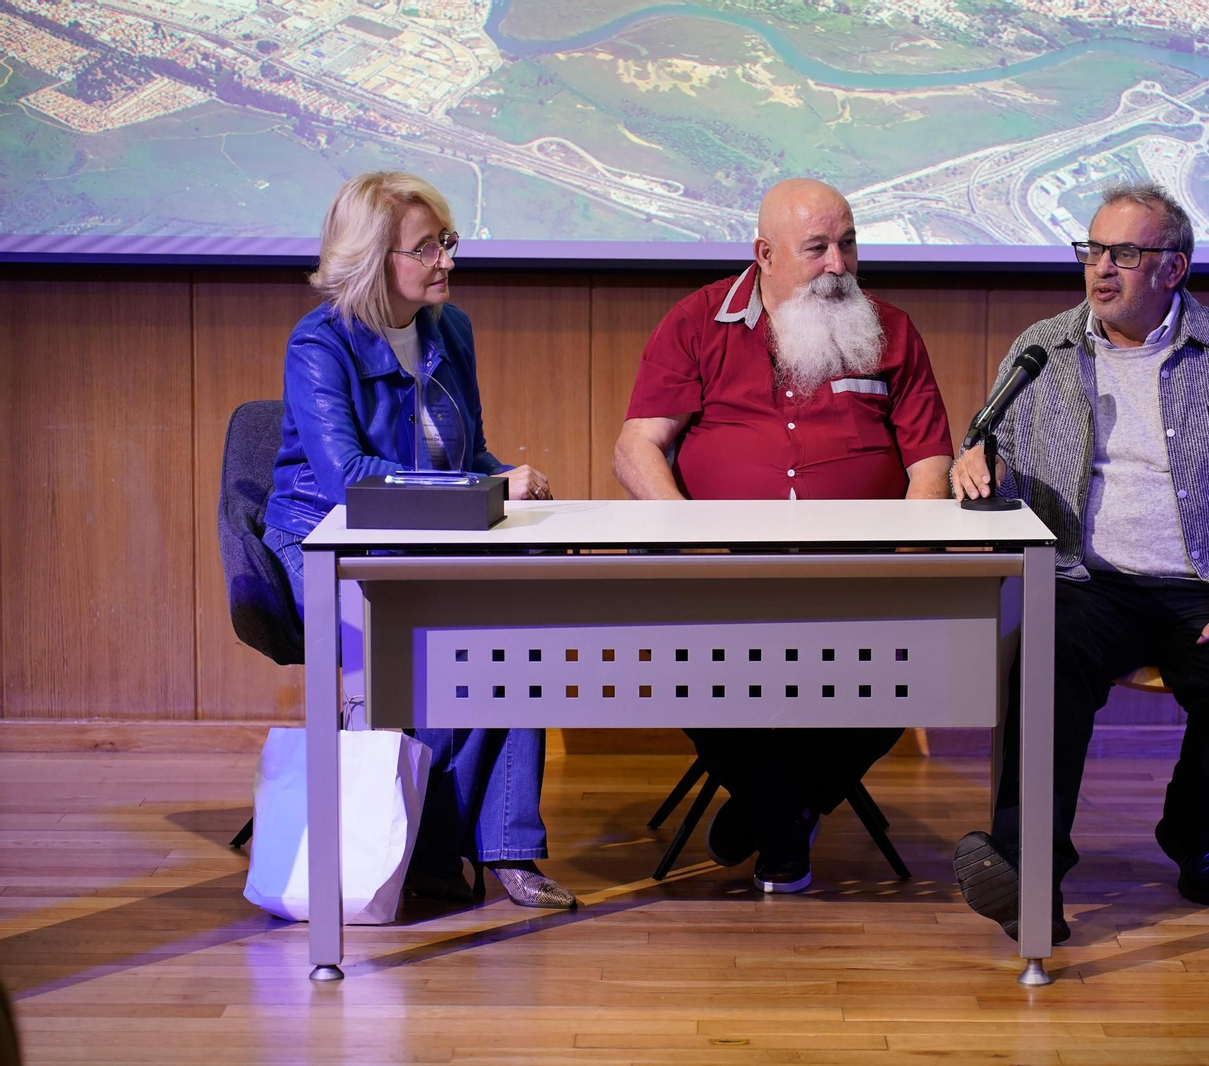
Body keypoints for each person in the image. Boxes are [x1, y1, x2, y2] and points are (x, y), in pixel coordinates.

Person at [951, 182, 1209, 943]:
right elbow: (993, 452)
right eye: (1092, 250)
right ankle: (1030, 875)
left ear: (1173, 268)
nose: (1100, 269)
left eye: (1124, 253)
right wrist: (977, 465)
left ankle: (1191, 833)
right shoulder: (1042, 349)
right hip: (1089, 582)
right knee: (1041, 665)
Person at [613, 178, 954, 893]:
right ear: (765, 254)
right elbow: (637, 447)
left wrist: (911, 561)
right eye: (817, 248)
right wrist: (694, 542)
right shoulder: (697, 321)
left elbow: (930, 464)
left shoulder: (890, 330)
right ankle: (784, 818)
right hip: (724, 566)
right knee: (687, 660)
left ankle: (770, 811)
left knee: (921, 657)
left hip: (859, 571)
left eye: (848, 244)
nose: (839, 265)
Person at [262, 171, 573, 911]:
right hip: (326, 539)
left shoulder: (449, 327)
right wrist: (481, 487)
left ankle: (502, 845)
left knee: (520, 614)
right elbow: (348, 480)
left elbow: (468, 452)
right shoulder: (319, 342)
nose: (447, 261)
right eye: (426, 248)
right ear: (375, 260)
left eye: (447, 242)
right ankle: (435, 851)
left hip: (426, 532)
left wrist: (505, 477)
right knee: (438, 637)